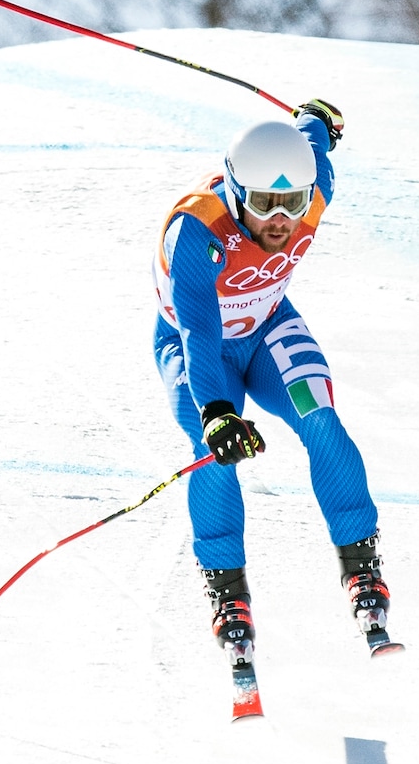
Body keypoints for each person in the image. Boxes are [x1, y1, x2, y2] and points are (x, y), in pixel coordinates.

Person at [152, 100, 393, 665]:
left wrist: (316, 116)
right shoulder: (196, 230)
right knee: (213, 453)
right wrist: (217, 412)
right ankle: (228, 594)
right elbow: (199, 332)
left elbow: (314, 137)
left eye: (293, 203)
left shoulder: (315, 185)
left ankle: (362, 571)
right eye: (264, 205)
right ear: (237, 193)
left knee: (321, 419)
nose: (281, 220)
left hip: (269, 332)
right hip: (197, 349)